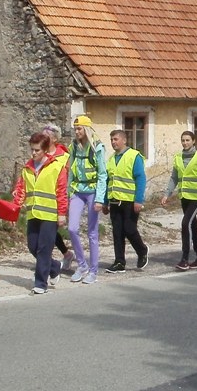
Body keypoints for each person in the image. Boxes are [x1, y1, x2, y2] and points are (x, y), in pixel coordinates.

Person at [12, 132, 68, 294]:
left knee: (44, 249)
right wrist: (15, 207)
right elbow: (21, 189)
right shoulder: (27, 168)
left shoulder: (57, 167)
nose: (34, 153)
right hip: (33, 214)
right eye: (32, 150)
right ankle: (54, 266)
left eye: (37, 150)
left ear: (45, 150)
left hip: (50, 215)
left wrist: (61, 213)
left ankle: (40, 283)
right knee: (32, 246)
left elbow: (61, 192)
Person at [162, 131, 197, 271]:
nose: (185, 143)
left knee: (185, 223)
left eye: (187, 140)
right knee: (193, 227)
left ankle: (185, 259)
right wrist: (167, 194)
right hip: (185, 197)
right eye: (183, 140)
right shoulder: (178, 157)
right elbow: (174, 178)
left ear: (193, 141)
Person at [98, 130, 149, 273]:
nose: (113, 142)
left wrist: (139, 200)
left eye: (116, 139)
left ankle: (142, 250)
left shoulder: (134, 156)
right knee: (117, 232)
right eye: (111, 140)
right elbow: (108, 181)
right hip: (114, 201)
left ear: (124, 140)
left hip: (129, 201)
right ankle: (119, 262)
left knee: (129, 229)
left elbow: (140, 178)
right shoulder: (111, 159)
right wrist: (105, 202)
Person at [67, 115, 107, 284]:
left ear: (87, 129)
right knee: (72, 228)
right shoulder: (74, 147)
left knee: (92, 233)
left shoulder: (96, 147)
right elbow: (70, 170)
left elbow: (102, 174)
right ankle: (81, 264)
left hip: (92, 191)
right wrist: (68, 192)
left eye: (79, 129)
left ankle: (93, 270)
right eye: (75, 129)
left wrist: (99, 199)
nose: (77, 132)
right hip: (77, 190)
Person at [42, 123, 75, 271]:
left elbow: (69, 178)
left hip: (59, 198)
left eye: (46, 136)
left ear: (55, 139)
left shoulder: (65, 156)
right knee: (49, 231)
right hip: (42, 198)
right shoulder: (40, 154)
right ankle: (66, 254)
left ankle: (46, 263)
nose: (43, 139)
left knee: (49, 231)